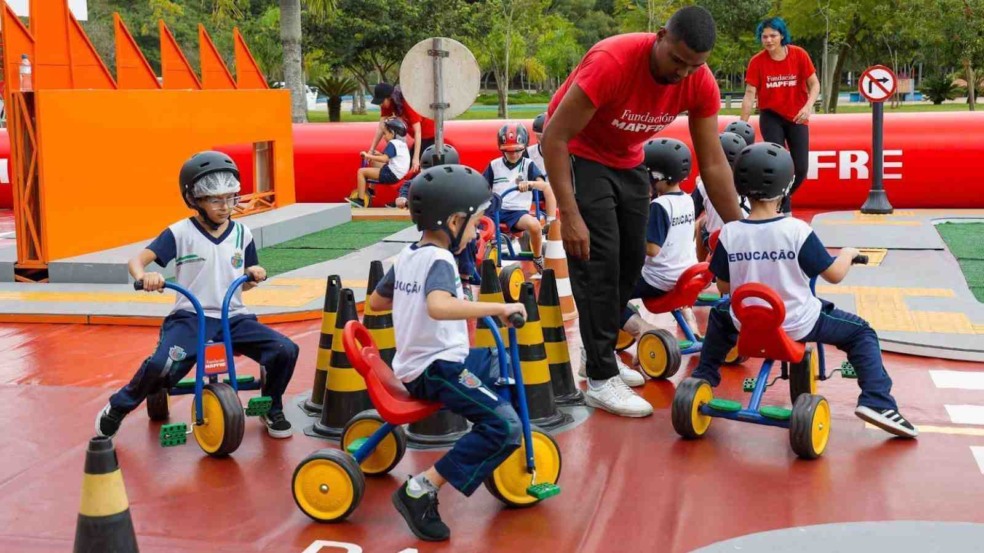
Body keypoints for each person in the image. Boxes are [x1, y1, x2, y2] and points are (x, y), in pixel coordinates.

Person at [542, 6, 741, 417]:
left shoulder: (699, 81)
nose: (683, 73)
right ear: (661, 35)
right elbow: (554, 137)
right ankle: (600, 378)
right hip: (579, 153)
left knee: (631, 262)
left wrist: (741, 229)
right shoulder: (612, 62)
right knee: (598, 262)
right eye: (677, 60)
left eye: (694, 66)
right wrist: (570, 214)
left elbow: (713, 161)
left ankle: (596, 353)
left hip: (628, 159)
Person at [691, 142, 918, 439]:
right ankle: (877, 401)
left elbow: (723, 286)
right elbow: (834, 275)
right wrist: (847, 255)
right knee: (862, 333)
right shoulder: (796, 231)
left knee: (721, 314)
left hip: (745, 321)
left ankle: (702, 377)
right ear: (786, 187)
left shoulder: (730, 233)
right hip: (798, 322)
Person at [368, 164, 528, 541]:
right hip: (438, 369)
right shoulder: (439, 259)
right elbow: (439, 306)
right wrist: (499, 308)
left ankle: (488, 436)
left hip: (423, 363)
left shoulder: (409, 255)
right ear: (454, 220)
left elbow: (376, 302)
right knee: (506, 426)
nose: (474, 233)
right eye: (473, 224)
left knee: (498, 364)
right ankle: (420, 488)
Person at [95, 151, 299, 440]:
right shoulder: (180, 233)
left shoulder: (242, 234)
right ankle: (118, 407)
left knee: (285, 350)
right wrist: (145, 277)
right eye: (215, 200)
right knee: (161, 366)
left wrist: (253, 275)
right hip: (191, 316)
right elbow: (136, 261)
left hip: (233, 316)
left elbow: (243, 283)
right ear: (194, 200)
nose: (225, 207)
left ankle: (272, 407)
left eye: (230, 198)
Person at [604, 138, 699, 373]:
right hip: (685, 273)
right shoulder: (688, 199)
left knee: (606, 294)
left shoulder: (660, 206)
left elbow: (652, 249)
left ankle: (643, 330)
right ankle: (631, 323)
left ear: (657, 176)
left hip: (659, 279)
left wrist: (626, 238)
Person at [740, 17, 820, 215]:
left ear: (782, 36)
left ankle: (780, 200)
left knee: (801, 168)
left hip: (797, 116)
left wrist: (808, 106)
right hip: (771, 116)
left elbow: (814, 84)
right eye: (764, 37)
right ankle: (784, 211)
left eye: (773, 36)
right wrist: (742, 125)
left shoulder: (799, 54)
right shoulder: (757, 62)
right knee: (778, 164)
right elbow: (749, 94)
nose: (768, 40)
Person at [483, 123, 555, 273]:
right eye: (509, 151)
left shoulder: (528, 165)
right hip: (494, 209)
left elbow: (544, 186)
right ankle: (478, 260)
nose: (514, 155)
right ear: (502, 149)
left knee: (535, 226)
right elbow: (482, 187)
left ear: (524, 148)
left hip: (517, 212)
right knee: (477, 227)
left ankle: (537, 257)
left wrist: (530, 184)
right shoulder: (494, 165)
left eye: (518, 150)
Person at [693, 130, 751, 259]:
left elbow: (692, 212)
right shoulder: (752, 182)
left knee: (701, 223)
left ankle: (701, 264)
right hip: (748, 241)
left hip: (716, 241)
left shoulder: (705, 184)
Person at [369, 82, 436, 174]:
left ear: (389, 97)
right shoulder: (387, 104)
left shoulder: (407, 102)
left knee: (415, 166)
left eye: (382, 102)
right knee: (407, 166)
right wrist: (371, 149)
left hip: (429, 134)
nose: (381, 105)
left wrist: (416, 159)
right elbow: (381, 127)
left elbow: (418, 131)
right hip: (418, 137)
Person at [348, 118, 411, 208]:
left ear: (392, 133)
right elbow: (394, 159)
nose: (384, 137)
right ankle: (371, 190)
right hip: (398, 173)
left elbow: (384, 159)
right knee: (374, 162)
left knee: (361, 172)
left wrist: (368, 156)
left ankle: (360, 201)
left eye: (385, 133)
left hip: (391, 174)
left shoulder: (393, 143)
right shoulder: (402, 144)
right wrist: (378, 154)